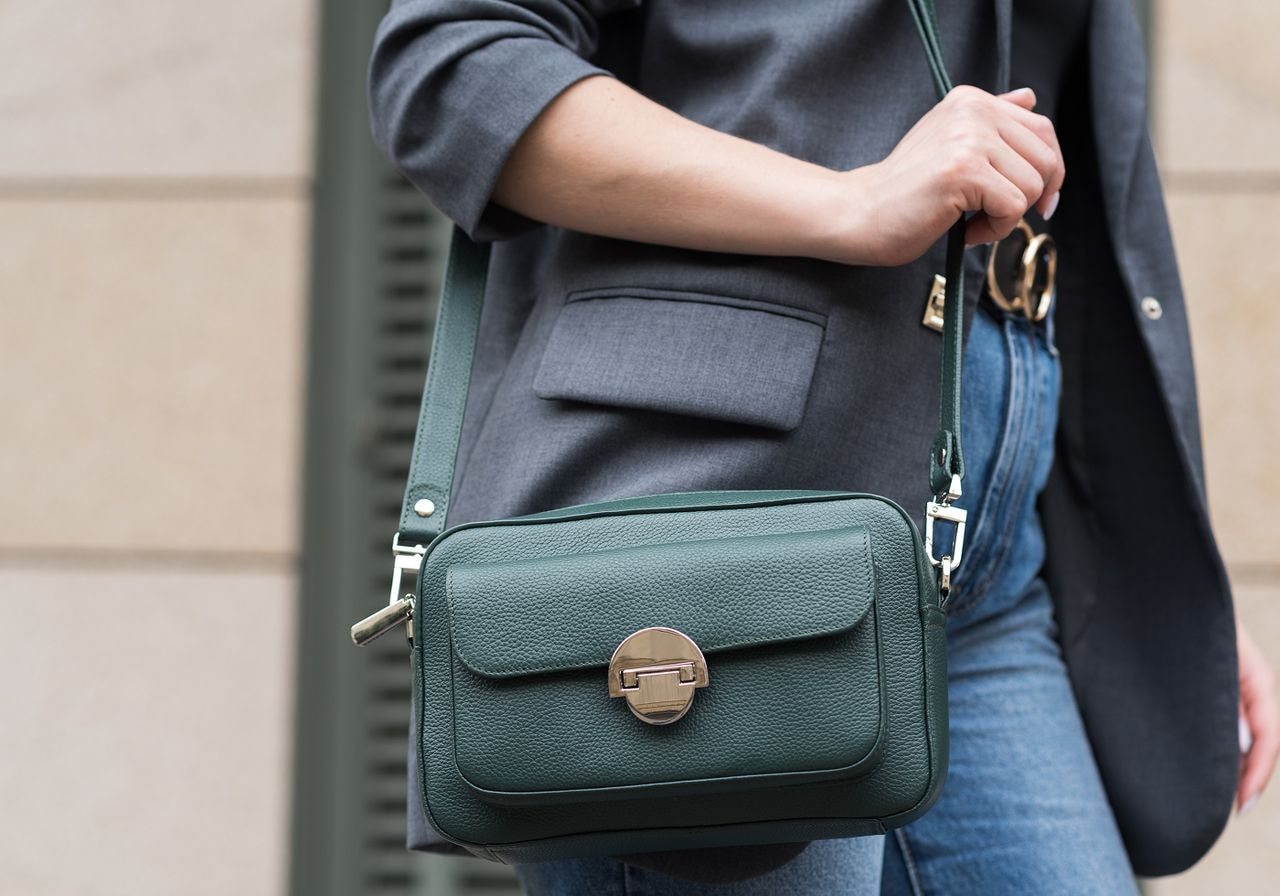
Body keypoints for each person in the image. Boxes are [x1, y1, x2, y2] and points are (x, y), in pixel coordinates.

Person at [366, 0, 1279, 892]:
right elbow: (457, 59)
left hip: (977, 540)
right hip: (734, 525)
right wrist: (851, 200)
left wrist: (1147, 552)